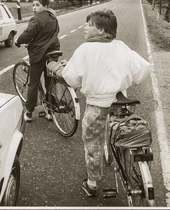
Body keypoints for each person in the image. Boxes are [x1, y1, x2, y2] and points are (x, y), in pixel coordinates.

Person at [60, 10, 150, 197]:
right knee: (123, 131)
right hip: (121, 102)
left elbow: (71, 78)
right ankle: (130, 169)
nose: (85, 27)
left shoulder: (85, 49)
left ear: (101, 30)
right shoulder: (121, 46)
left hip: (97, 105)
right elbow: (143, 69)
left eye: (89, 24)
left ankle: (92, 183)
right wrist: (127, 79)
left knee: (93, 142)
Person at [15, 0, 60, 122]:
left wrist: (18, 41)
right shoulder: (53, 17)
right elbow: (53, 32)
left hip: (39, 54)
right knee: (49, 81)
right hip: (53, 52)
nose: (34, 8)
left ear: (45, 6)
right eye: (33, 5)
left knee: (33, 82)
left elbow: (28, 33)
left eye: (37, 5)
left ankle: (29, 112)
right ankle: (50, 111)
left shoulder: (36, 19)